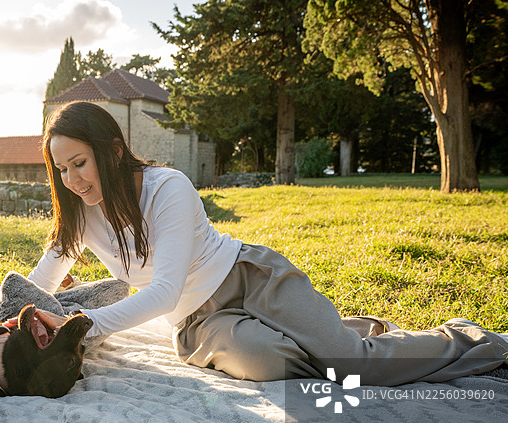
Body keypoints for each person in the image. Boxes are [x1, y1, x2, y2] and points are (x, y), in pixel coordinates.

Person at [26, 100, 508, 386]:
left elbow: (164, 289)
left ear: (111, 151)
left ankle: (473, 341)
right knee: (269, 363)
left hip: (248, 278)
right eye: (61, 169)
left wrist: (77, 325)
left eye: (80, 163)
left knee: (350, 366)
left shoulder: (166, 186)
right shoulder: (79, 217)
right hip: (201, 323)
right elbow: (35, 287)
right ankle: (334, 332)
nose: (71, 179)